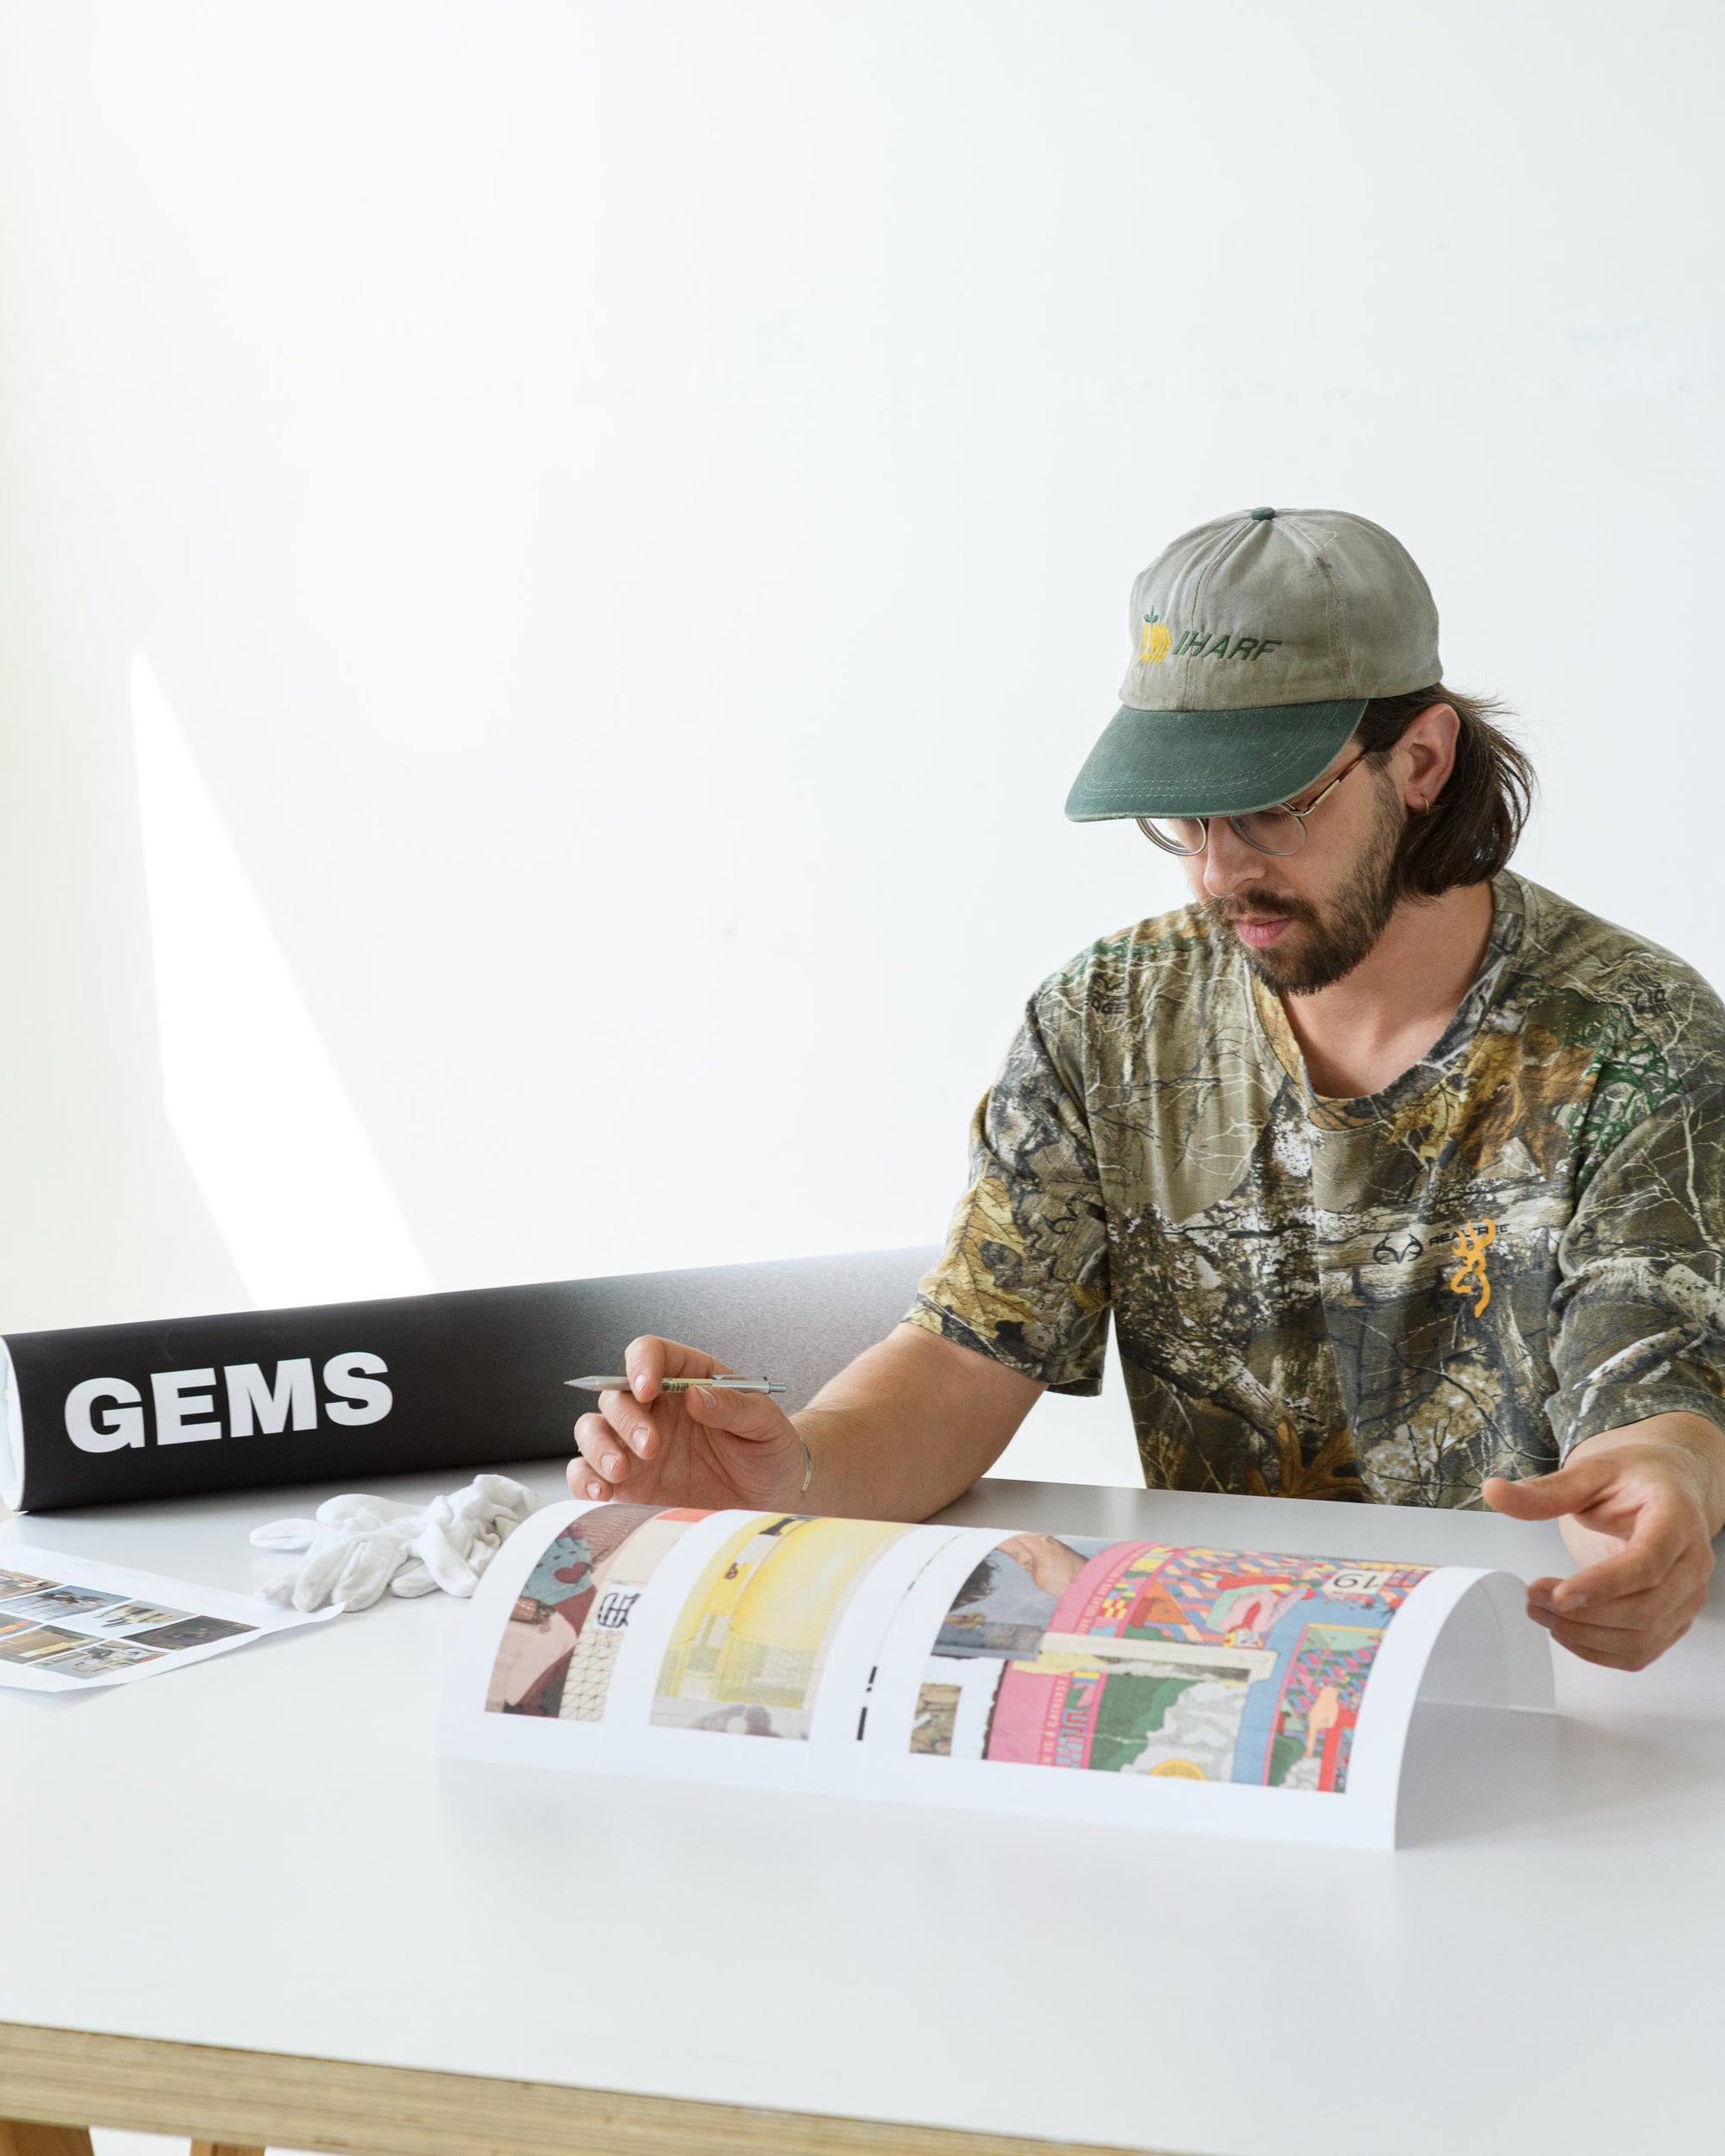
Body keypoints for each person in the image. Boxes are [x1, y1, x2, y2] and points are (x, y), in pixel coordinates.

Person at [571, 505, 1725, 1673]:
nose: (1222, 869)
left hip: (1542, 1679)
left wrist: (1669, 1474)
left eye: (1277, 806)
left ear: (1421, 761)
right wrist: (795, 1473)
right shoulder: (1110, 1018)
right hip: (1226, 1678)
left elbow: (1651, 1377)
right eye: (1182, 817)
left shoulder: (1634, 1037)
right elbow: (971, 1353)